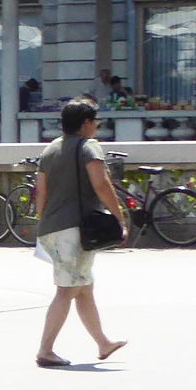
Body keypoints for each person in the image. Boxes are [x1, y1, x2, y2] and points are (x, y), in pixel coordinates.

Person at [30, 99, 132, 370]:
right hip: (73, 229)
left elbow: (41, 191)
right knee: (67, 290)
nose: (97, 126)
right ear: (86, 123)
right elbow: (101, 183)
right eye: (95, 121)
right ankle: (45, 350)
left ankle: (102, 342)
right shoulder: (89, 146)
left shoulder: (50, 149)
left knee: (84, 288)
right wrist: (119, 217)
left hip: (53, 228)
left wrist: (44, 220)